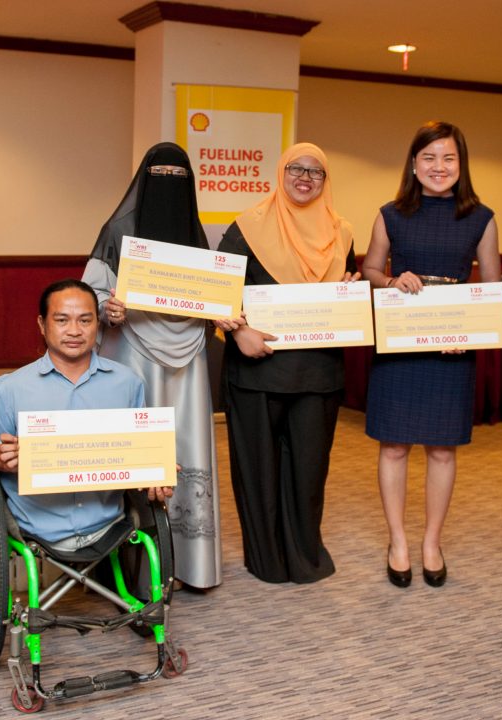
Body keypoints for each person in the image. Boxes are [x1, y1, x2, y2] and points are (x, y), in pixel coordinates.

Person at [361, 121, 501, 589]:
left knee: (442, 449)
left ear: (461, 164)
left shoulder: (481, 217)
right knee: (394, 446)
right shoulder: (390, 214)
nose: (439, 167)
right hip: (401, 345)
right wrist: (391, 279)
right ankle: (398, 542)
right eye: (429, 158)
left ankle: (431, 543)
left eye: (448, 158)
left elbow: (491, 287)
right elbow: (371, 269)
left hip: (451, 347)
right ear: (414, 164)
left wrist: (471, 332)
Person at [214, 142, 358, 584]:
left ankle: (303, 553)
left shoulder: (341, 233)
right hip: (257, 371)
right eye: (297, 168)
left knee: (309, 469)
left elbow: (346, 290)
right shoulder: (246, 227)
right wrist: (238, 332)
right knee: (258, 468)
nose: (305, 178)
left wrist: (348, 293)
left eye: (316, 172)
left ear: (325, 180)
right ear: (281, 172)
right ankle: (267, 559)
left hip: (318, 372)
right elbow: (218, 292)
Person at [81, 142, 222, 590]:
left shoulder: (194, 235)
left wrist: (222, 312)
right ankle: (134, 569)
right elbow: (90, 295)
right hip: (133, 355)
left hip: (189, 361)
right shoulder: (117, 231)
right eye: (160, 174)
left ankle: (189, 565)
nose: (169, 184)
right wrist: (107, 308)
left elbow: (212, 297)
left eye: (178, 177)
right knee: (139, 448)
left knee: (187, 443)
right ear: (145, 178)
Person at [0, 279, 173, 541]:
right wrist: (3, 456)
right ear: (42, 324)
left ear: (98, 324)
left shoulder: (127, 383)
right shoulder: (11, 387)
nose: (74, 331)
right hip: (37, 525)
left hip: (108, 523)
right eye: (62, 320)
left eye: (85, 320)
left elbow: (141, 447)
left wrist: (156, 470)